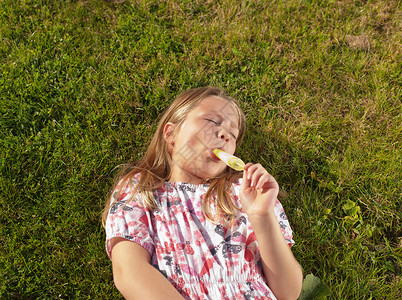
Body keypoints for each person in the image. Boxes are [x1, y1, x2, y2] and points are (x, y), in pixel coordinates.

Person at [102, 86, 303, 299]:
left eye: (233, 134)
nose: (225, 134)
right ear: (171, 134)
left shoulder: (246, 194)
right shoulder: (141, 187)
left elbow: (288, 292)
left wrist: (262, 216)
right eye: (213, 122)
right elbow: (129, 272)